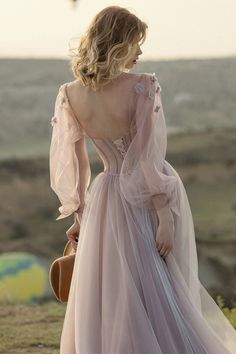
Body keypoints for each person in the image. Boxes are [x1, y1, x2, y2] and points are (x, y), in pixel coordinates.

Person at [49, 5, 236, 354]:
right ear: (119, 42)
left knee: (116, 285)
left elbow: (74, 163)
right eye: (136, 42)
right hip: (145, 196)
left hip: (104, 196)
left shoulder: (69, 93)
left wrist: (79, 212)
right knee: (156, 281)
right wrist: (164, 215)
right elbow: (148, 160)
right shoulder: (142, 87)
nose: (140, 52)